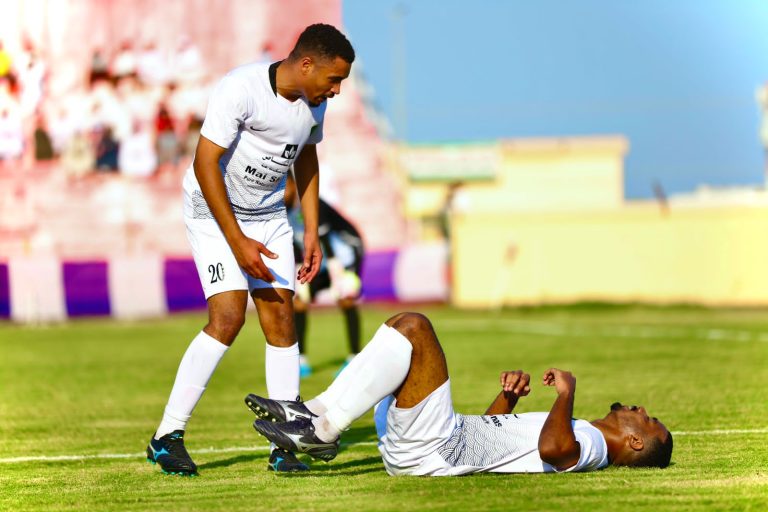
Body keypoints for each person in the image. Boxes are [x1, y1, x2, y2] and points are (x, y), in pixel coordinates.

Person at [145, 24, 355, 476]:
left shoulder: (315, 104)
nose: (336, 90)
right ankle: (166, 437)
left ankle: (285, 443)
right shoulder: (240, 88)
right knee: (228, 316)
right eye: (334, 79)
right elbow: (204, 163)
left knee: (281, 316)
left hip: (268, 215)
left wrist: (311, 231)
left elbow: (306, 158)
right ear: (306, 64)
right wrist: (237, 241)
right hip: (211, 208)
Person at [247, 312, 673, 475]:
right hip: (436, 444)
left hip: (435, 449)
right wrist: (508, 399)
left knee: (415, 328)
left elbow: (555, 451)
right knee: (398, 330)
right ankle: (313, 413)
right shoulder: (583, 432)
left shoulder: (596, 444)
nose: (640, 408)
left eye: (648, 418)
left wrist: (567, 392)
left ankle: (324, 431)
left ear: (636, 442)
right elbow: (490, 432)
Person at [284, 172, 364, 377]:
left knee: (346, 299)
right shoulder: (283, 211)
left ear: (293, 184)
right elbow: (295, 244)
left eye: (284, 186)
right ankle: (301, 360)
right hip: (318, 264)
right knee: (299, 301)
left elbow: (327, 242)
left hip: (343, 260)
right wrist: (299, 275)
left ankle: (354, 358)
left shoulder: (313, 205)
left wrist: (344, 276)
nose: (281, 192)